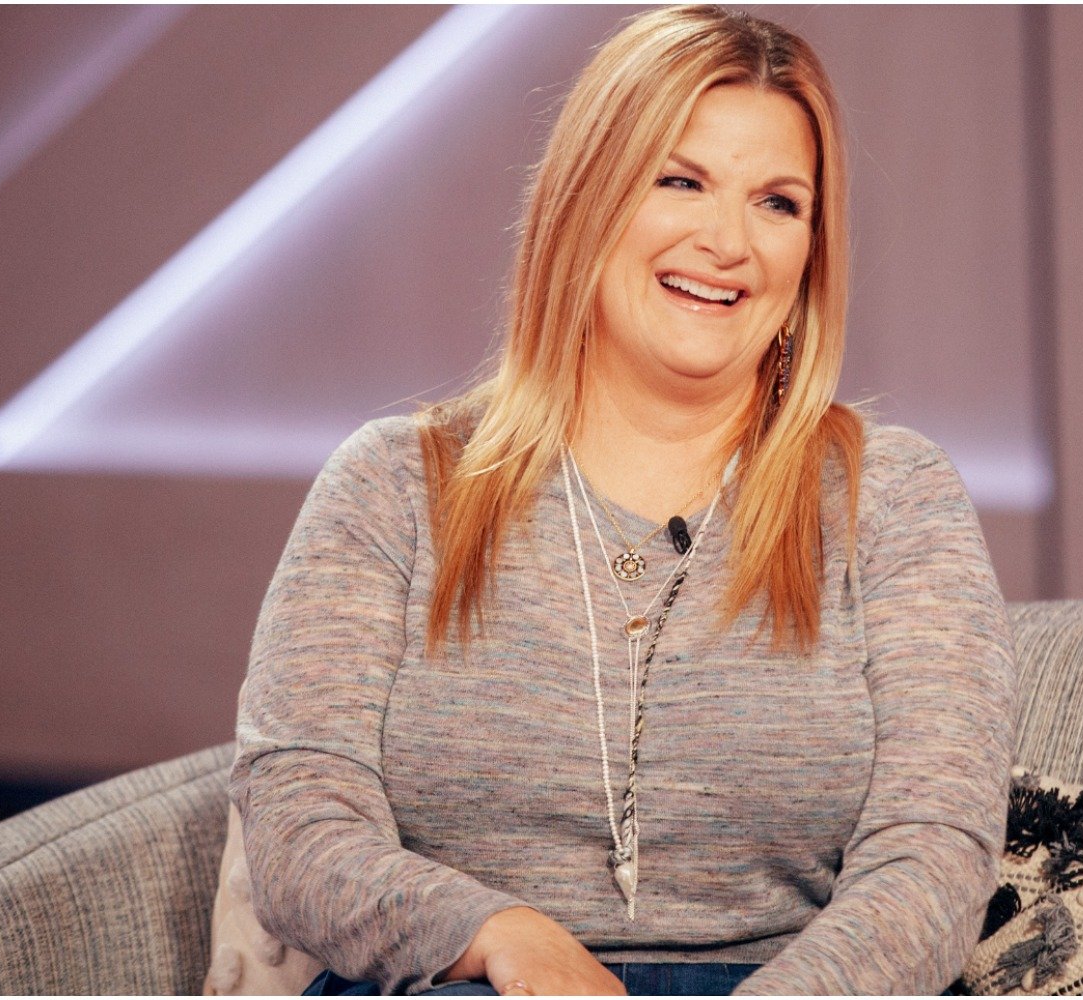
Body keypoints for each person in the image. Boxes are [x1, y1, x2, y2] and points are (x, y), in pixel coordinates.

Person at [231, 6, 1015, 995]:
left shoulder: (890, 497)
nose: (727, 240)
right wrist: (503, 933)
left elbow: (932, 854)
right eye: (678, 180)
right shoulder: (394, 484)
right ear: (587, 199)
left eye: (777, 202)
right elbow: (300, 820)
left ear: (812, 250)